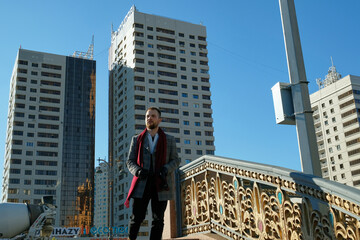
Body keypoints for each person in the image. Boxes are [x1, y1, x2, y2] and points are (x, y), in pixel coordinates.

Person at [125, 107, 180, 240]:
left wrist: (166, 168)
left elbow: (176, 160)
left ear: (159, 120)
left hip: (161, 183)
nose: (149, 118)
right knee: (136, 218)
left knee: (158, 219)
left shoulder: (170, 140)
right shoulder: (136, 139)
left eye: (153, 116)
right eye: (147, 116)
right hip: (141, 184)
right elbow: (130, 161)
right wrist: (137, 171)